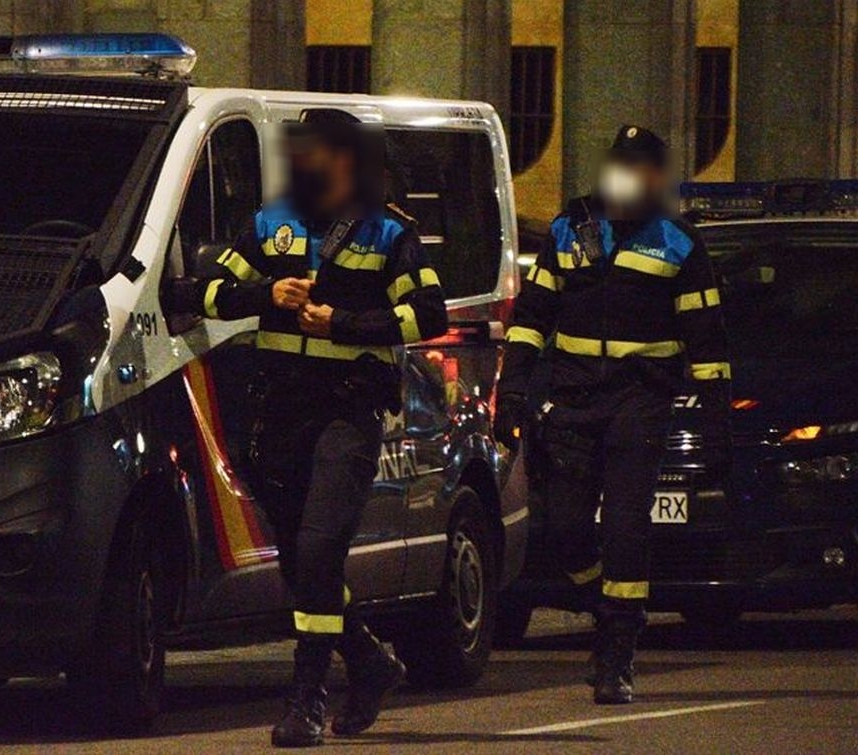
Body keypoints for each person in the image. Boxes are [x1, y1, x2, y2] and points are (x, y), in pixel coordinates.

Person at [168, 110, 447, 746]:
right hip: (282, 415)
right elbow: (199, 295)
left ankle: (307, 701)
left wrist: (345, 324)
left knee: (320, 552)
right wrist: (267, 294)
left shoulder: (388, 232)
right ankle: (371, 664)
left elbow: (426, 314)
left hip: (348, 414)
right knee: (303, 566)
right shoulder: (272, 223)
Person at [495, 125, 730, 705]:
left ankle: (617, 649)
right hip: (573, 400)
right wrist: (514, 392)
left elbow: (707, 341)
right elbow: (532, 318)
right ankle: (610, 604)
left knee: (626, 527)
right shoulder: (570, 232)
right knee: (568, 532)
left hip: (639, 401)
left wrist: (715, 424)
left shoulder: (677, 242)